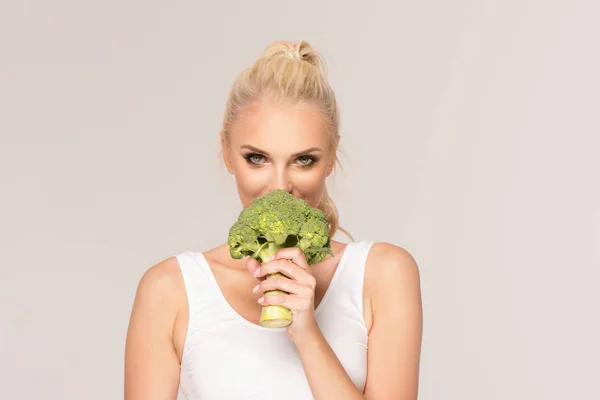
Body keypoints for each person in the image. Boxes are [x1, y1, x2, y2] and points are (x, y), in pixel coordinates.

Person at [124, 40, 423, 400]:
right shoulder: (169, 290)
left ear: (330, 160)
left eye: (304, 160)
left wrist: (307, 334)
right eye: (257, 158)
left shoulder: (384, 275)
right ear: (227, 154)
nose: (280, 187)